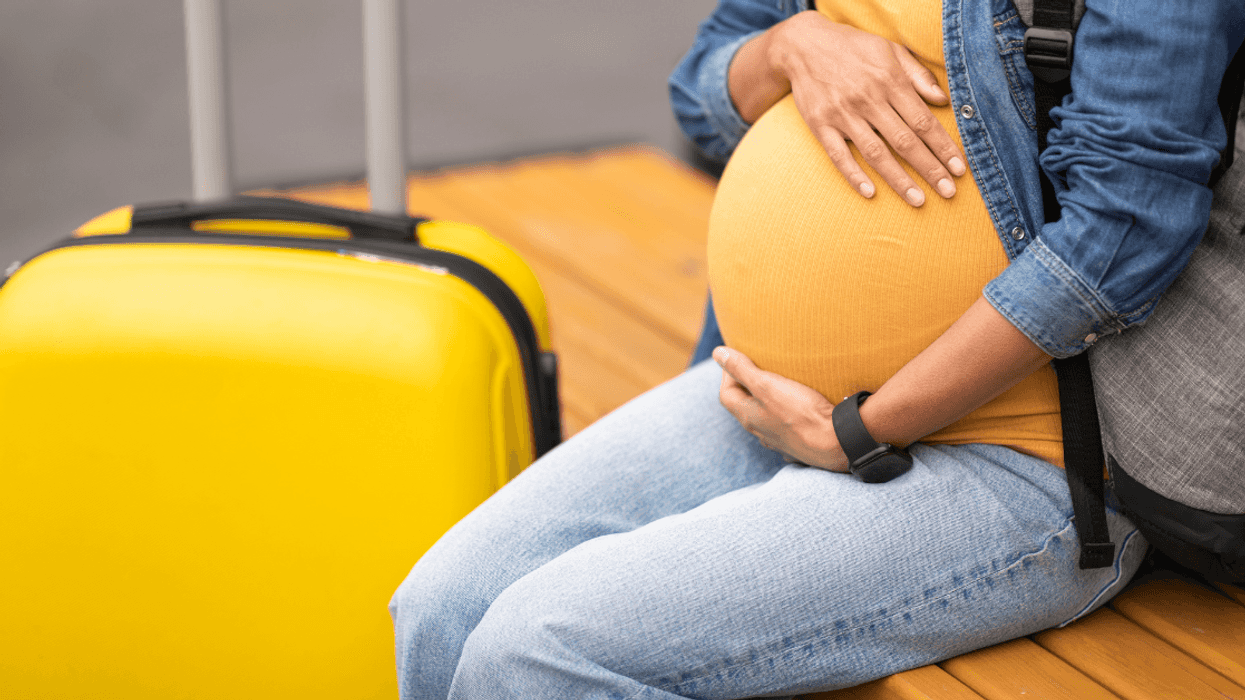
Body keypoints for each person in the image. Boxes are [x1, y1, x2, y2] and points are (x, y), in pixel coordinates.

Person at [389, 1, 1245, 698]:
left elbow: (1124, 230)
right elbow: (704, 87)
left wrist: (861, 431)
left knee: (534, 660)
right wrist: (792, 48)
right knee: (440, 609)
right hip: (764, 391)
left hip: (1023, 450)